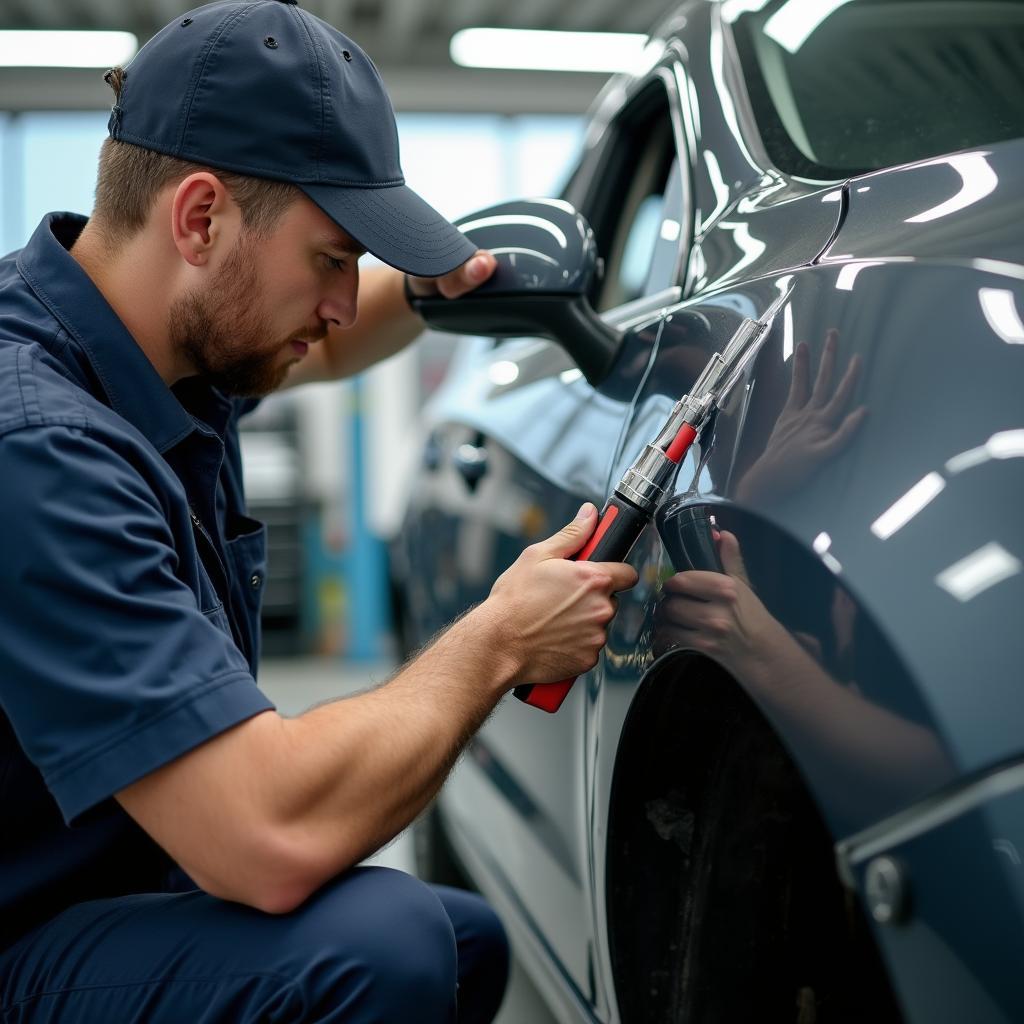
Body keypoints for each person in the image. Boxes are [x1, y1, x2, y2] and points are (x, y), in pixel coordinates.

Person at [0, 3, 638, 1021]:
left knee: (459, 940)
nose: (343, 303)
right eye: (334, 257)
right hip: (21, 927)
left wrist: (437, 281)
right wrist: (497, 641)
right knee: (375, 949)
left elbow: (329, 341)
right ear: (199, 217)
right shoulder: (37, 445)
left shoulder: (139, 338)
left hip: (73, 879)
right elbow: (265, 836)